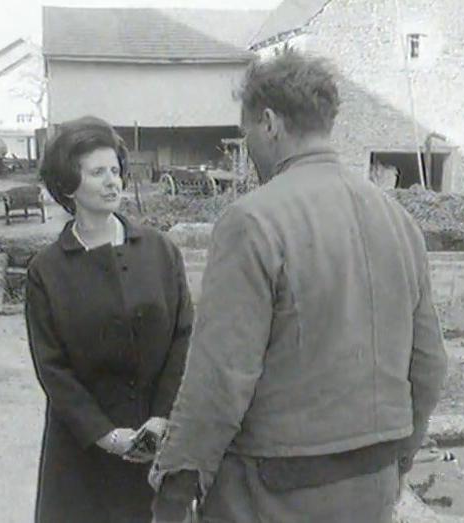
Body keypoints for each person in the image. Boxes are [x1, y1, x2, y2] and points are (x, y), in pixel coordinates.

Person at [149, 50, 448, 523]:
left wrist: (178, 480)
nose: (247, 145)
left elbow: (221, 375)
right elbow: (429, 364)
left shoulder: (251, 220)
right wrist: (399, 455)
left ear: (268, 123)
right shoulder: (399, 220)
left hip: (273, 492)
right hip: (371, 484)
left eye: (246, 132)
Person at [25, 116, 193, 522]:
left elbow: (183, 337)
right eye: (97, 172)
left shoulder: (160, 251)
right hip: (82, 454)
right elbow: (53, 369)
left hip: (155, 443)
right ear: (69, 184)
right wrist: (107, 435)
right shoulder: (47, 270)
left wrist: (161, 417)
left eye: (115, 170)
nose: (112, 181)